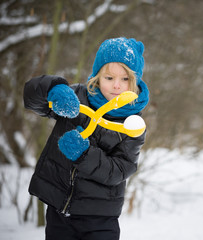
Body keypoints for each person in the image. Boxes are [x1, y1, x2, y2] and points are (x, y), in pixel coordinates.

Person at [23, 37, 149, 240]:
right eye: (109, 78)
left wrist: (84, 155)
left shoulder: (132, 124)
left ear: (134, 81)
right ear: (98, 76)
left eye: (125, 79)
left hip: (100, 217)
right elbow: (31, 98)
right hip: (58, 209)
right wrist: (52, 90)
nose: (116, 86)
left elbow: (121, 169)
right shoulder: (77, 97)